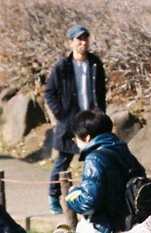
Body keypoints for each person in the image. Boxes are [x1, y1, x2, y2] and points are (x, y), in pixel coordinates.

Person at [65, 109, 147, 233]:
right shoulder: (123, 150)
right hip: (129, 225)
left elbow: (89, 202)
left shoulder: (95, 158)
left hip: (105, 230)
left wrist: (72, 197)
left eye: (76, 138)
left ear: (86, 136)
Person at [44, 25, 107, 215]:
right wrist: (62, 115)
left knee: (97, 159)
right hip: (69, 121)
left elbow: (101, 91)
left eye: (86, 38)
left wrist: (101, 113)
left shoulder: (95, 63)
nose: (83, 43)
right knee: (63, 160)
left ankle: (94, 196)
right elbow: (49, 92)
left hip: (91, 121)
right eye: (79, 39)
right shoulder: (62, 66)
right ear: (70, 42)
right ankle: (54, 197)